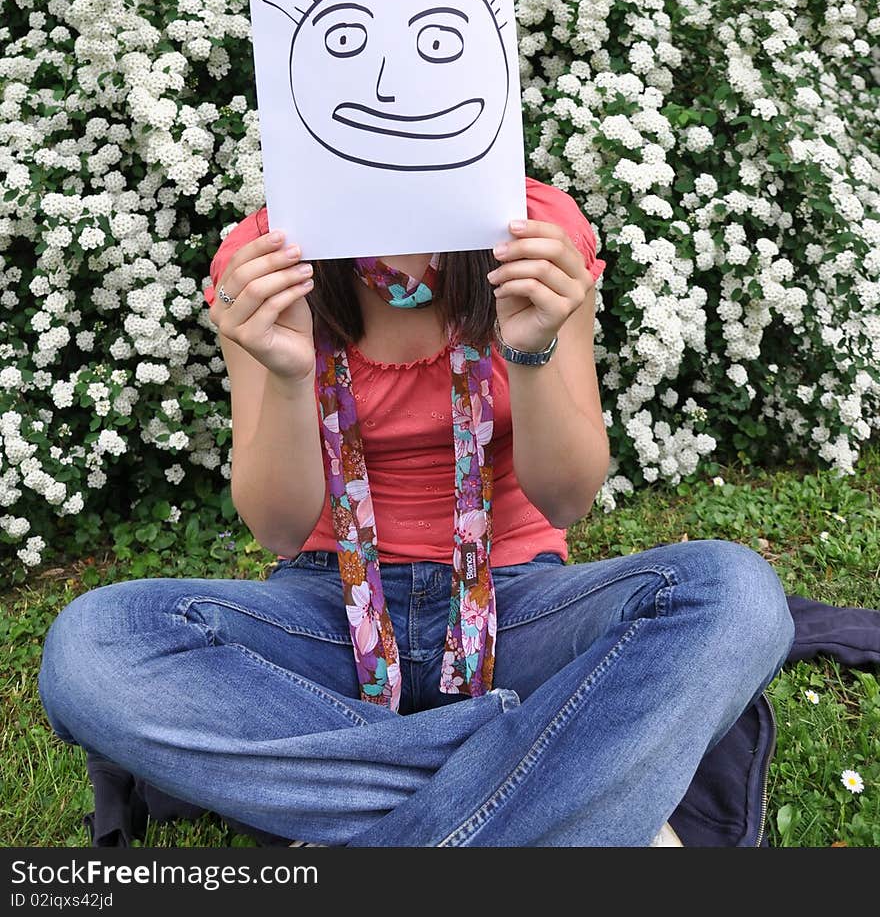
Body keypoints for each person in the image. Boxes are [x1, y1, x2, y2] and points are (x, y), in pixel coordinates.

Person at [38, 175, 795, 847]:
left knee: (735, 596)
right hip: (328, 607)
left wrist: (530, 350)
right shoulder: (267, 257)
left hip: (516, 599)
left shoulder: (536, 232)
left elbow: (566, 498)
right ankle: (551, 774)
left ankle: (391, 806)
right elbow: (274, 525)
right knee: (93, 646)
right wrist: (289, 374)